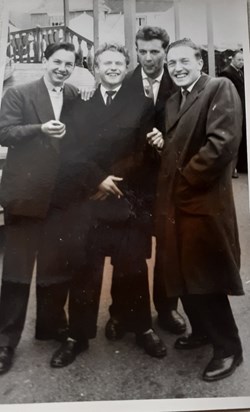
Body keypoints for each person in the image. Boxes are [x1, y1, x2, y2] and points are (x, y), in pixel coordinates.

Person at [49, 42, 167, 368]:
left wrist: (113, 180)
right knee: (85, 272)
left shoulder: (142, 104)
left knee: (132, 268)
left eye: (118, 63)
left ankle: (141, 327)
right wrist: (97, 179)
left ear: (126, 67)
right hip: (90, 200)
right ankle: (78, 336)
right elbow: (71, 152)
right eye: (106, 63)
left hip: (127, 200)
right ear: (95, 68)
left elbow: (143, 153)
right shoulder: (79, 105)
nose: (113, 68)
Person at [155, 38, 244, 381]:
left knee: (205, 278)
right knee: (184, 275)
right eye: (171, 63)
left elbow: (221, 144)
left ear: (199, 62)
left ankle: (229, 349)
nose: (177, 68)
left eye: (183, 61)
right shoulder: (175, 99)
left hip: (201, 203)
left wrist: (184, 180)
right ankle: (203, 332)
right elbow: (180, 143)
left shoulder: (218, 87)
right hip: (178, 205)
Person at [0, 42, 82, 374]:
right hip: (25, 194)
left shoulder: (75, 94)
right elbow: (3, 133)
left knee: (53, 267)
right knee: (17, 272)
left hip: (59, 198)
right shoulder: (19, 93)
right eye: (57, 61)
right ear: (45, 61)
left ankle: (51, 327)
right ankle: (5, 343)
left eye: (69, 63)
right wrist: (40, 129)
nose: (62, 68)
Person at [105, 26, 186, 342]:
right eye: (142, 51)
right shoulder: (122, 83)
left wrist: (166, 141)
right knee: (128, 251)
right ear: (136, 51)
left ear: (165, 50)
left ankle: (166, 310)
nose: (149, 58)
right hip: (133, 184)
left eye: (155, 51)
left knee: (168, 251)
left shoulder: (179, 82)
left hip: (167, 183)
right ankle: (120, 311)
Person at [220, 49, 247, 177]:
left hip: (241, 110)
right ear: (232, 59)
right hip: (233, 111)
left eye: (243, 60)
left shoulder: (240, 72)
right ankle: (232, 170)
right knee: (234, 138)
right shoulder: (226, 73)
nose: (241, 62)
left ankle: (240, 166)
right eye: (239, 60)